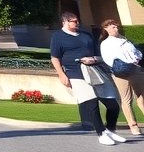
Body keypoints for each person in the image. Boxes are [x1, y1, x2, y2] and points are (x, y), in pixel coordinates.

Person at [52, 11, 123, 145]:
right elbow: (55, 57)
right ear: (65, 22)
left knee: (112, 104)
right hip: (75, 73)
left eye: (77, 21)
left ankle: (110, 130)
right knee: (91, 102)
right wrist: (61, 74)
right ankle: (101, 133)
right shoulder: (58, 36)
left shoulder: (86, 35)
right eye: (74, 21)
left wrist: (93, 59)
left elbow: (98, 54)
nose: (77, 23)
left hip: (95, 70)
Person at [100, 19, 144, 136]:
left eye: (115, 26)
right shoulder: (106, 43)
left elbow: (135, 52)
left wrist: (136, 58)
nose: (115, 28)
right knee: (126, 99)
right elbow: (108, 59)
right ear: (106, 29)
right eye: (112, 27)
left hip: (134, 69)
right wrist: (120, 64)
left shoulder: (125, 40)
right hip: (120, 72)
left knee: (141, 96)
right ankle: (133, 125)